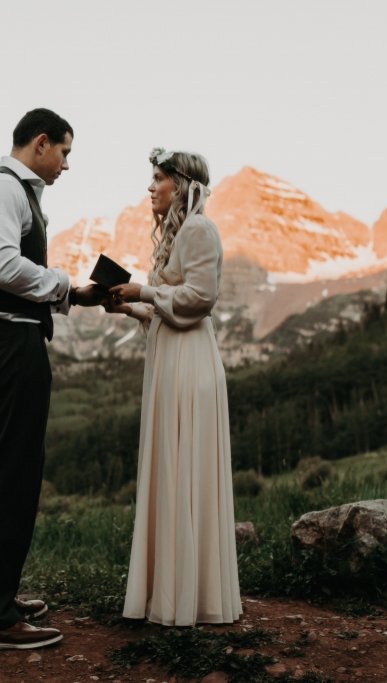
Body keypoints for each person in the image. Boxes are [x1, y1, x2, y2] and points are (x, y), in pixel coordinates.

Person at [0, 108, 105, 651]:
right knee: (7, 475)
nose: (66, 164)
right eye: (65, 151)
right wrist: (66, 284)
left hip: (11, 338)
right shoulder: (1, 189)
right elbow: (0, 266)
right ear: (41, 143)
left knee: (16, 470)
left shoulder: (17, 193)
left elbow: (11, 271)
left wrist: (71, 295)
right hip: (4, 341)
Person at [107, 147, 242, 626]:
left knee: (185, 467)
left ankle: (190, 597)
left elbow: (200, 299)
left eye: (159, 178)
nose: (150, 187)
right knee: (172, 466)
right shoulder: (179, 233)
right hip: (171, 360)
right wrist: (130, 306)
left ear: (181, 184)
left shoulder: (200, 229)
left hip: (191, 365)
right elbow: (169, 306)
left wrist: (145, 291)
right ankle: (170, 593)